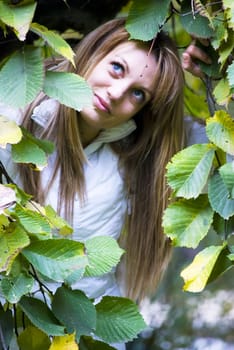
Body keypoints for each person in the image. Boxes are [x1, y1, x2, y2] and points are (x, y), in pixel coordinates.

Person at [0, 17, 186, 349]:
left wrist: (220, 68)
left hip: (89, 338)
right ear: (95, 50)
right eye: (117, 68)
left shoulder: (140, 157)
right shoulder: (13, 113)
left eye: (138, 93)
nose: (116, 94)